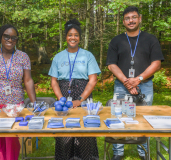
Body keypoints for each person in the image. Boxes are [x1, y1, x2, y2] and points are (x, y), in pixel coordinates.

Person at [106, 6, 164, 160]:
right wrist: (126, 82)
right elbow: (111, 64)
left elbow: (156, 63)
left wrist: (138, 79)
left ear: (140, 19)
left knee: (143, 118)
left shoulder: (150, 39)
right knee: (118, 116)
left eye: (133, 17)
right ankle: (118, 152)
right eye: (127, 18)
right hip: (121, 85)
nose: (130, 20)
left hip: (145, 86)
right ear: (123, 21)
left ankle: (143, 152)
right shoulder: (116, 40)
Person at [0, 24, 36, 160]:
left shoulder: (23, 57)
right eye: (6, 36)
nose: (10, 40)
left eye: (14, 37)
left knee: (12, 137)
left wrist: (34, 104)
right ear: (1, 37)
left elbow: (28, 81)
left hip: (15, 105)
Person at [48, 19, 101, 160]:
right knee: (64, 131)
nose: (73, 38)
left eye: (76, 35)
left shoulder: (88, 55)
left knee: (84, 131)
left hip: (83, 94)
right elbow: (54, 81)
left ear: (80, 37)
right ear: (66, 37)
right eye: (70, 35)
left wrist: (80, 100)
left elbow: (93, 80)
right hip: (64, 94)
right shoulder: (58, 57)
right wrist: (61, 99)